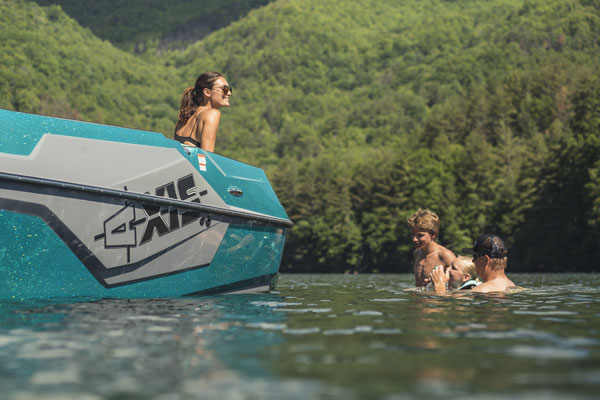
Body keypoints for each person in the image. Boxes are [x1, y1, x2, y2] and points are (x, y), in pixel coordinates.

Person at [431, 234, 515, 293]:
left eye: (475, 257)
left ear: (485, 260)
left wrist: (439, 284)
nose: (473, 261)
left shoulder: (481, 291)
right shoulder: (511, 285)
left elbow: (443, 307)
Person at [173, 72, 232, 152]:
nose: (229, 93)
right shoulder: (212, 114)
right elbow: (207, 155)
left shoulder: (187, 114)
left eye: (229, 89)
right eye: (224, 89)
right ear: (207, 92)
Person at [407, 208, 456, 287]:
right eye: (413, 235)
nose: (414, 239)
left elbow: (460, 283)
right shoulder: (417, 253)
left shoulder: (445, 255)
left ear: (433, 235)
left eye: (420, 235)